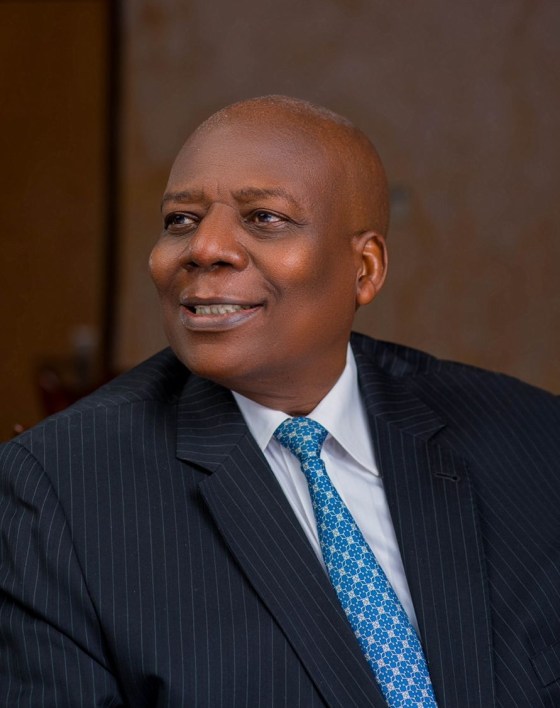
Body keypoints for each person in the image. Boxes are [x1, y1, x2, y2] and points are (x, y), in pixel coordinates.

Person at [1, 96, 559, 708]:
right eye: (181, 219)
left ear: (365, 269)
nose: (204, 247)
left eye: (264, 217)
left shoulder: (532, 439)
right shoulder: (57, 490)